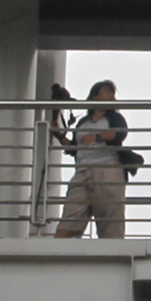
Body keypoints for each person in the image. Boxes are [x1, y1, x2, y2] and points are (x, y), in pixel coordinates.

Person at [54, 78, 131, 238]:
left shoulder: (114, 118)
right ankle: (61, 251)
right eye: (106, 91)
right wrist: (59, 135)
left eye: (112, 93)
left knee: (109, 220)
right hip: (82, 170)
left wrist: (97, 137)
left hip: (106, 167)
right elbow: (75, 147)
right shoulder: (83, 122)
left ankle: (112, 255)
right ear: (95, 96)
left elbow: (119, 133)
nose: (111, 96)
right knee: (71, 214)